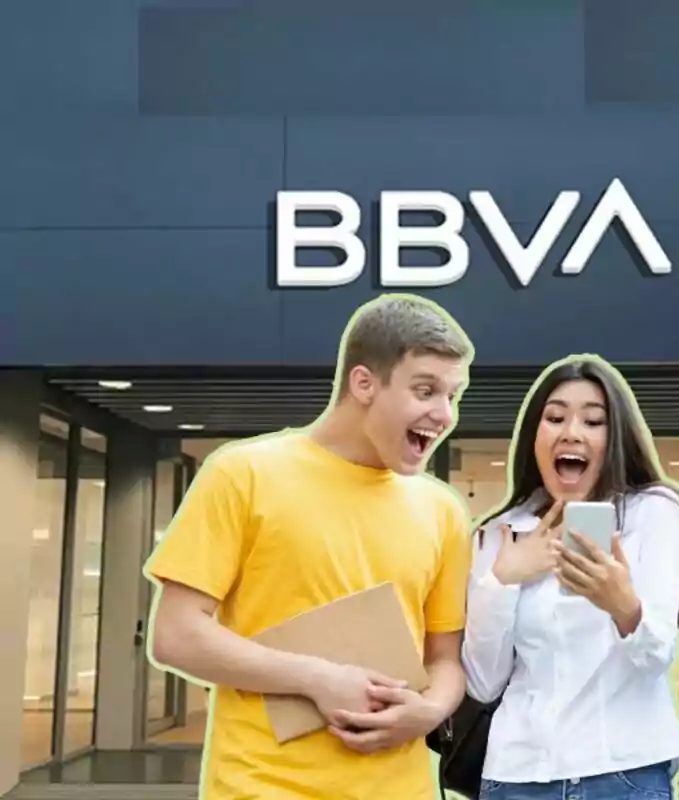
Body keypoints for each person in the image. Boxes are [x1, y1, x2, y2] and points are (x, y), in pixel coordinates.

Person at [144, 294, 475, 799]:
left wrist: (428, 712)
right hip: (264, 786)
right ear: (363, 383)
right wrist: (317, 678)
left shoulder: (443, 508)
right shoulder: (243, 474)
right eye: (425, 390)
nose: (443, 413)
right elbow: (175, 634)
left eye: (453, 395)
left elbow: (445, 658)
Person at [461, 355, 679, 800]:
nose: (571, 432)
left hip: (622, 772)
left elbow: (657, 656)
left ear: (616, 438)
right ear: (535, 436)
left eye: (593, 421)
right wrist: (502, 581)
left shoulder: (656, 514)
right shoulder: (501, 532)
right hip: (515, 775)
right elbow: (483, 682)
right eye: (554, 418)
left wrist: (621, 605)